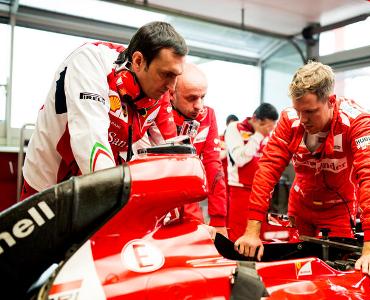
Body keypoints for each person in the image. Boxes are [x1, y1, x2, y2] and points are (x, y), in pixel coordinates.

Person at [234, 61, 370, 276]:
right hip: (301, 208)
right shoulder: (289, 119)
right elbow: (267, 170)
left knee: (338, 274)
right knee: (296, 271)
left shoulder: (358, 121)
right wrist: (252, 231)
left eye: (310, 111)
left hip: (338, 210)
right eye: (299, 110)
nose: (303, 119)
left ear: (330, 101)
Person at [21, 22, 188, 199]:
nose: (172, 87)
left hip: (99, 180)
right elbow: (90, 137)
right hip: (49, 180)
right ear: (138, 61)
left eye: (176, 76)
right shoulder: (91, 61)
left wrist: (192, 220)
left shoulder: (157, 90)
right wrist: (115, 200)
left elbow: (173, 155)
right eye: (167, 74)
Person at [170, 63, 228, 237]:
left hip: (189, 202)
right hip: (159, 201)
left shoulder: (207, 115)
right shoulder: (156, 111)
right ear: (171, 94)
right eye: (191, 98)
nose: (199, 105)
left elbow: (213, 165)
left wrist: (218, 220)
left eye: (203, 96)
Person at [225, 103, 279, 241]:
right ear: (255, 119)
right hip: (240, 190)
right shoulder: (235, 128)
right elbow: (239, 159)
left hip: (262, 192)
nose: (268, 131)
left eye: (271, 127)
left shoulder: (267, 133)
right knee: (239, 236)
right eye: (266, 126)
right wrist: (258, 135)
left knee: (260, 237)